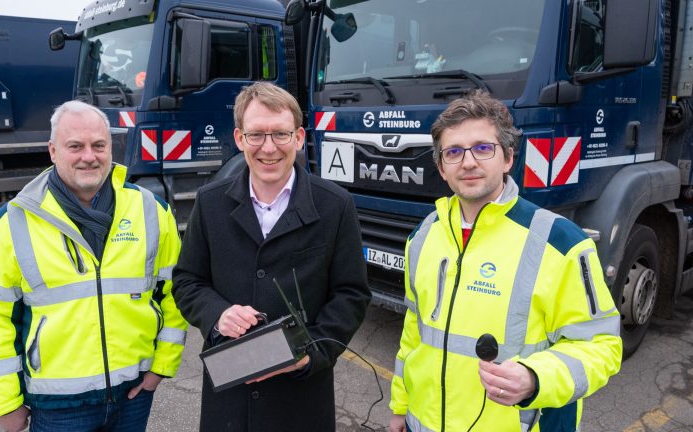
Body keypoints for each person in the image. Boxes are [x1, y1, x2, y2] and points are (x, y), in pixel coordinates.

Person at [388, 91, 622, 432]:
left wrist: (535, 378)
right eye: (453, 152)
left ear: (508, 157)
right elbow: (414, 334)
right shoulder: (423, 237)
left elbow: (601, 345)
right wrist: (400, 407)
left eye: (483, 148)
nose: (468, 162)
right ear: (441, 168)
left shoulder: (560, 242)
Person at [0, 101, 187, 432]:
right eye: (75, 146)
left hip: (133, 394)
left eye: (99, 145)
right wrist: (5, 402)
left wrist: (162, 366)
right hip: (58, 406)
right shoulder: (13, 221)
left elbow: (174, 293)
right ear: (53, 151)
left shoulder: (151, 210)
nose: (89, 156)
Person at [172, 81, 371, 431]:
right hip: (229, 402)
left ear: (299, 137)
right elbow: (188, 281)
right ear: (239, 138)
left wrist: (310, 353)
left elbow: (351, 295)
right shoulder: (210, 202)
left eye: (280, 134)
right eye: (256, 135)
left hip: (300, 400)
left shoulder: (335, 205)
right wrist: (218, 314)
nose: (268, 148)